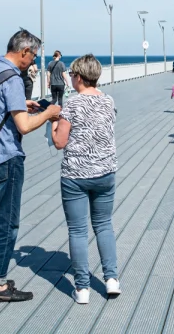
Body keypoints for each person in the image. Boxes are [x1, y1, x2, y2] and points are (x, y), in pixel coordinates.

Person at [0, 29, 60, 303]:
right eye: (32, 56)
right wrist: (47, 113)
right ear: (23, 51)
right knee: (6, 222)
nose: (33, 62)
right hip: (5, 156)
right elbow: (23, 125)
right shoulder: (13, 78)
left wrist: (22, 104)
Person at [52, 54, 120, 304]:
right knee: (104, 225)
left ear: (79, 77)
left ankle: (82, 289)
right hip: (105, 173)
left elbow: (60, 142)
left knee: (78, 230)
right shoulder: (108, 100)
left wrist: (53, 122)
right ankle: (111, 280)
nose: (70, 79)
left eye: (71, 75)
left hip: (76, 176)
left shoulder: (71, 103)